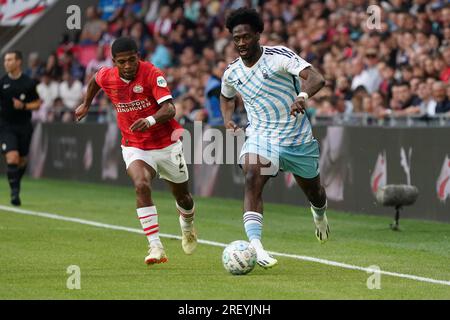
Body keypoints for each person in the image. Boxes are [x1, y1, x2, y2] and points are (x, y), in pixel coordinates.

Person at [220, 8, 330, 269]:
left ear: (258, 34)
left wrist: (301, 97)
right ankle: (256, 246)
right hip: (261, 136)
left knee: (314, 191)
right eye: (237, 38)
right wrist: (227, 119)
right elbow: (225, 95)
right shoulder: (232, 72)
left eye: (246, 37)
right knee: (252, 174)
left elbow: (316, 78)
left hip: (296, 138)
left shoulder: (279, 56)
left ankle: (319, 214)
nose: (241, 43)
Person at [75, 37, 197, 265]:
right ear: (114, 62)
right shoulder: (107, 75)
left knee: (183, 197)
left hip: (167, 144)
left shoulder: (152, 73)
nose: (128, 65)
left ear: (138, 56)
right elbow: (94, 80)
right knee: (141, 184)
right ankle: (155, 246)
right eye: (122, 62)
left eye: (132, 60)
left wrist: (150, 120)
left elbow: (170, 109)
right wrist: (86, 104)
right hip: (135, 145)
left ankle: (187, 227)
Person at [0, 50, 41, 206]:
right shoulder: (2, 82)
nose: (6, 63)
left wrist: (24, 105)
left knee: (22, 160)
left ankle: (16, 183)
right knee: (12, 158)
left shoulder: (29, 83)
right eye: (5, 60)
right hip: (6, 126)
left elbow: (37, 104)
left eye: (10, 60)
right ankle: (14, 192)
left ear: (18, 62)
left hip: (24, 126)